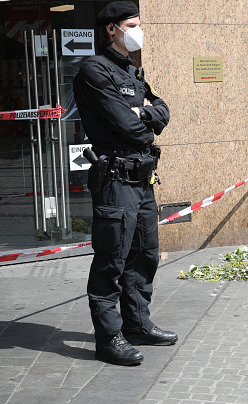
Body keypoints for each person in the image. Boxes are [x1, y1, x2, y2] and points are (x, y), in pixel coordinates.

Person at [73, 1, 175, 367]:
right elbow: (128, 126)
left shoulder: (131, 71)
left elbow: (163, 110)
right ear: (111, 29)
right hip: (116, 178)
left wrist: (143, 112)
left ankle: (136, 324)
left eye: (138, 23)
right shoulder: (94, 71)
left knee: (145, 253)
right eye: (131, 24)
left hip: (142, 177)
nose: (138, 30)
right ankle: (108, 338)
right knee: (111, 260)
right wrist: (142, 116)